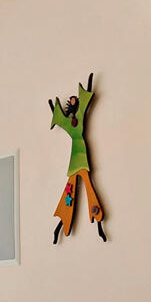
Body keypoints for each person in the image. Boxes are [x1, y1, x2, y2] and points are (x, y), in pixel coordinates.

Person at [47, 75, 106, 242]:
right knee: (69, 191)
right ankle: (61, 223)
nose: (73, 101)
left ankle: (98, 222)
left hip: (81, 156)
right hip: (75, 159)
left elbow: (85, 104)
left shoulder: (80, 117)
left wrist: (87, 89)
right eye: (71, 101)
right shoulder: (69, 123)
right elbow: (61, 119)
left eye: (75, 100)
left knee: (88, 188)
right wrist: (54, 109)